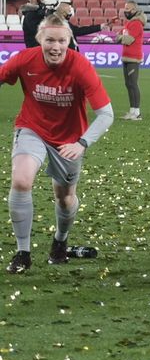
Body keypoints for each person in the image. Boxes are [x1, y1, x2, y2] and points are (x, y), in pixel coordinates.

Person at [1, 14, 113, 272]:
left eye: (62, 40)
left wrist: (82, 143)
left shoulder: (80, 66)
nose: (56, 46)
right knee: (21, 181)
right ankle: (22, 253)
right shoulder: (24, 59)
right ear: (39, 39)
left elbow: (106, 113)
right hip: (32, 128)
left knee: (64, 198)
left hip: (70, 139)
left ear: (69, 40)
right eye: (50, 40)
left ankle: (60, 243)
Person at [116, 2, 146, 121]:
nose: (125, 11)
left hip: (133, 57)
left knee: (133, 84)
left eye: (127, 9)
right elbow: (122, 36)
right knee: (129, 84)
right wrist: (121, 37)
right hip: (127, 57)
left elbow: (127, 39)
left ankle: (137, 112)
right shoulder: (130, 23)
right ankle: (132, 111)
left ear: (134, 10)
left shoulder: (136, 24)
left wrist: (120, 38)